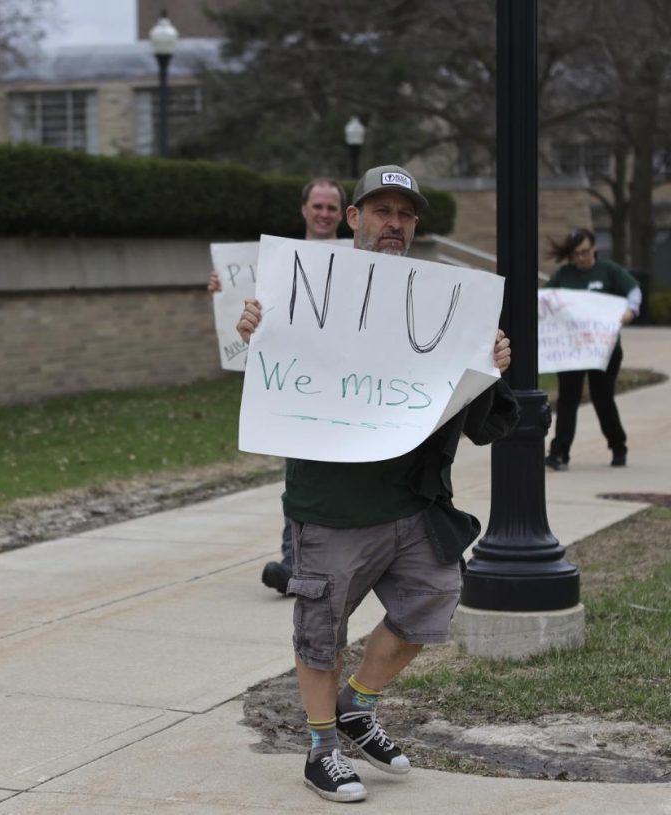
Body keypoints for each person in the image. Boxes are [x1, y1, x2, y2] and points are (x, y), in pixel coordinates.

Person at [236, 165, 519, 803]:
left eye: (406, 213)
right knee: (320, 631)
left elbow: (479, 416)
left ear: (415, 226)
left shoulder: (445, 300)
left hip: (411, 502)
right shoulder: (305, 290)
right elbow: (273, 374)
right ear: (354, 218)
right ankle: (321, 748)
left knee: (432, 602)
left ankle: (357, 706)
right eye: (381, 210)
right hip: (331, 503)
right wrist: (255, 334)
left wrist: (490, 366)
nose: (394, 223)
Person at [209, 178, 347, 595]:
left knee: (345, 477)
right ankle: (294, 562)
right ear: (303, 209)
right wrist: (224, 292)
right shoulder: (276, 262)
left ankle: (337, 561)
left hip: (346, 388)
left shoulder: (357, 259)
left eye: (332, 208)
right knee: (299, 477)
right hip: (295, 385)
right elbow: (248, 310)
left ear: (344, 215)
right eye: (318, 206)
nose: (324, 214)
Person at [543, 227, 641, 470]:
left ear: (594, 248)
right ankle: (559, 453)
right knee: (568, 399)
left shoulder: (609, 271)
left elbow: (634, 290)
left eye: (585, 252)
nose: (580, 258)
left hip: (603, 350)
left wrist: (630, 311)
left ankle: (618, 445)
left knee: (602, 397)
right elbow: (546, 300)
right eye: (576, 254)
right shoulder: (564, 275)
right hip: (572, 350)